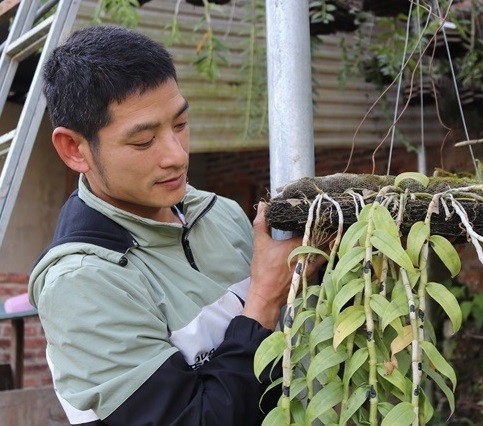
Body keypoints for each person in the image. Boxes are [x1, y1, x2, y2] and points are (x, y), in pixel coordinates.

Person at [28, 25, 313, 425]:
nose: (176, 156)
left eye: (179, 125)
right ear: (74, 148)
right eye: (144, 142)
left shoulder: (219, 213)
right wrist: (263, 300)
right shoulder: (83, 281)